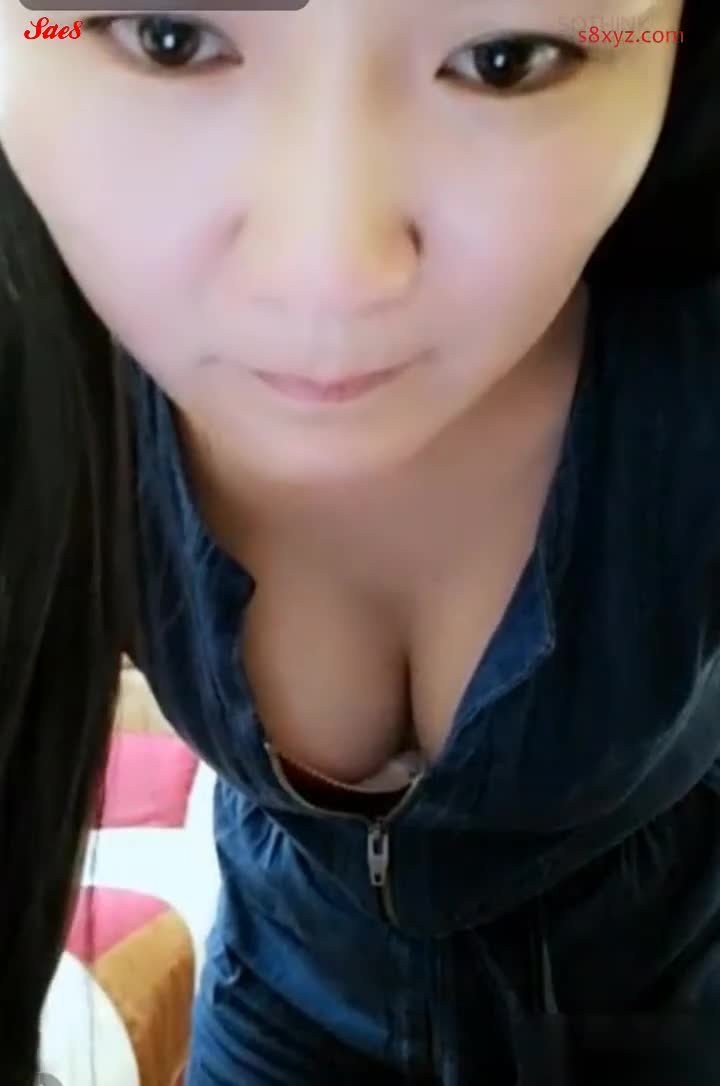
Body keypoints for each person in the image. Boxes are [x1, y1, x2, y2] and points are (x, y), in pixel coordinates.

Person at [1, 0, 719, 1081]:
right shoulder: (39, 358)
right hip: (284, 995)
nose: (327, 275)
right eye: (167, 37)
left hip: (664, 994)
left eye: (506, 59)